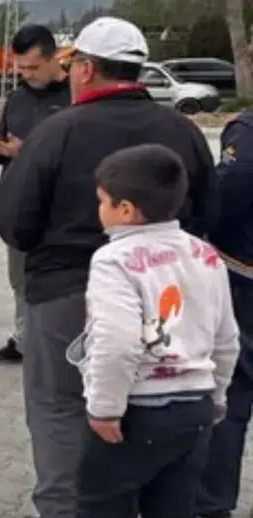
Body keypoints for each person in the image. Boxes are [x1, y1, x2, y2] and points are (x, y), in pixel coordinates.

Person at [0, 16, 217, 518]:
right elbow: (208, 216)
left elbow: (13, 222)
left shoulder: (56, 133)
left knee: (59, 411)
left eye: (74, 64)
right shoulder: (183, 132)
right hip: (164, 299)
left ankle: (66, 508)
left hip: (65, 299)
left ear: (87, 69)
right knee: (148, 406)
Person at [68, 143, 237, 518]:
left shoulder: (113, 259)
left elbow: (116, 343)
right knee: (174, 507)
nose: (99, 210)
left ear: (126, 210)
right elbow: (226, 339)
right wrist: (217, 398)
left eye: (102, 201)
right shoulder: (205, 254)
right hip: (195, 408)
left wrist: (105, 409)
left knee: (101, 506)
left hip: (137, 410)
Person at [0, 24, 71, 365]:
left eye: (33, 67)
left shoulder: (74, 97)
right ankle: (23, 341)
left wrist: (27, 151)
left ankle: (64, 345)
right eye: (21, 68)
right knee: (20, 278)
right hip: (21, 204)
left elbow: (80, 154)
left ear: (54, 59)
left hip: (62, 208)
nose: (27, 74)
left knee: (65, 280)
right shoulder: (18, 98)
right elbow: (5, 139)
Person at [195, 106, 253, 518]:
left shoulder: (248, 131)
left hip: (243, 276)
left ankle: (212, 504)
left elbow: (228, 193)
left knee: (232, 393)